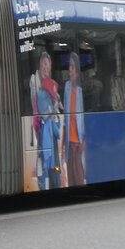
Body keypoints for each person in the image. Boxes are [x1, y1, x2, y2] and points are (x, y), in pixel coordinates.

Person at [33, 51, 62, 190]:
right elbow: (43, 113)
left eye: (47, 64)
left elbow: (58, 112)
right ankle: (44, 186)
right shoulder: (38, 88)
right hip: (42, 132)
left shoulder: (52, 87)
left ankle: (55, 185)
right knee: (44, 163)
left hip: (52, 133)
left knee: (54, 164)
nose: (45, 67)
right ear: (39, 66)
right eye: (43, 64)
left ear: (50, 67)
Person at [61, 52, 87, 187]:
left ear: (77, 70)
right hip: (69, 141)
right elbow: (66, 115)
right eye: (69, 66)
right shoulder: (67, 87)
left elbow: (85, 115)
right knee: (71, 178)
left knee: (79, 176)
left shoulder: (82, 90)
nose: (69, 69)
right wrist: (63, 143)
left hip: (79, 141)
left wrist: (85, 140)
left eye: (71, 66)